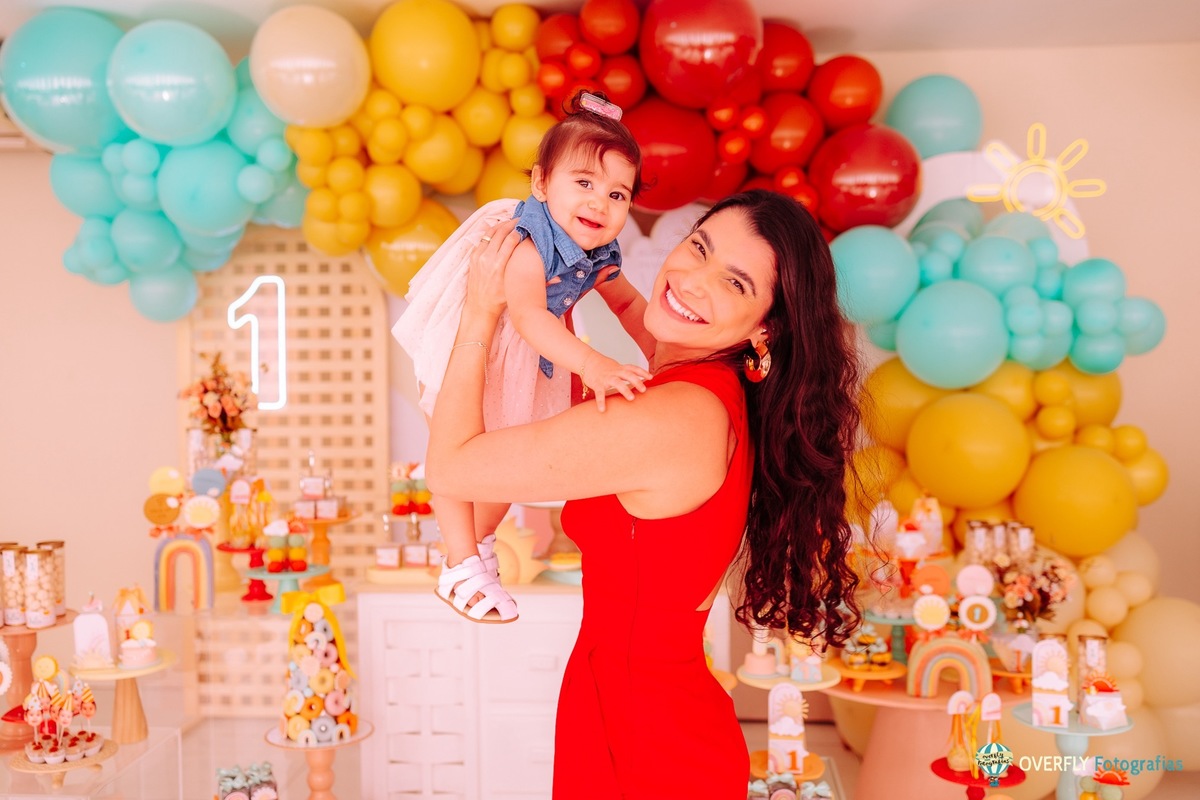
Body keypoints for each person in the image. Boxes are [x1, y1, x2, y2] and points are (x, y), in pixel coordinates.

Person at [425, 189, 863, 797]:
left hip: (646, 737)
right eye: (698, 248)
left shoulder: (674, 417)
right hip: (636, 705)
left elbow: (449, 468)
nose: (691, 279)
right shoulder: (702, 388)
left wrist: (479, 313)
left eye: (734, 284)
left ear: (766, 327)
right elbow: (644, 314)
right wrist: (589, 266)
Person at [394, 92, 654, 624]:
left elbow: (627, 303)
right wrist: (595, 365)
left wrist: (665, 355)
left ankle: (478, 542)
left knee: (502, 469)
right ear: (540, 183)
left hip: (523, 361)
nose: (600, 204)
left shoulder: (599, 251)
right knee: (453, 454)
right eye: (583, 183)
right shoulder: (525, 242)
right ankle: (459, 562)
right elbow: (533, 318)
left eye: (617, 193)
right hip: (473, 346)